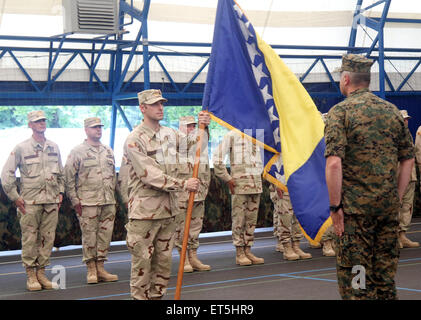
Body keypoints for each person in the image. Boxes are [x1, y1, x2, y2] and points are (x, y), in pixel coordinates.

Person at [325, 54, 415, 300]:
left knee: (358, 282)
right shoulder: (392, 111)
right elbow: (408, 158)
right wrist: (395, 197)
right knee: (385, 282)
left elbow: (334, 163)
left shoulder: (340, 113)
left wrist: (335, 209)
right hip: (386, 213)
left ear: (346, 79)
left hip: (355, 218)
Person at [123, 89, 210, 300]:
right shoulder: (135, 139)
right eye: (154, 104)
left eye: (161, 103)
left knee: (163, 267)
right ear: (143, 108)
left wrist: (203, 127)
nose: (160, 107)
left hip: (168, 212)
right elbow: (149, 175)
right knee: (143, 267)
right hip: (144, 214)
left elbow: (194, 146)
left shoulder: (169, 134)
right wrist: (182, 184)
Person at [1, 110, 65, 291]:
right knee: (30, 238)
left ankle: (42, 273)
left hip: (51, 201)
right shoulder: (22, 148)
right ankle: (31, 275)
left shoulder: (54, 146)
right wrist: (15, 197)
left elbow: (61, 172)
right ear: (30, 124)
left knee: (47, 238)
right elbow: (7, 174)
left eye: (43, 120)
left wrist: (60, 192)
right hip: (30, 202)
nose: (41, 123)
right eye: (37, 121)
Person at [64, 117, 119, 284]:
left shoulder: (108, 151)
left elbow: (113, 177)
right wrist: (74, 200)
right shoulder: (77, 151)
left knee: (105, 236)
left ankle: (101, 267)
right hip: (87, 202)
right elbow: (68, 178)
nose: (98, 130)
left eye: (100, 127)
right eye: (95, 127)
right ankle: (91, 269)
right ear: (86, 130)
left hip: (107, 201)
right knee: (89, 237)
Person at [213, 130, 264, 266]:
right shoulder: (232, 135)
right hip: (239, 185)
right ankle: (239, 252)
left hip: (256, 184)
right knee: (239, 219)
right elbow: (217, 158)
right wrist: (227, 178)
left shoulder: (257, 134)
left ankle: (248, 250)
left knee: (251, 220)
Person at [174, 116, 211, 273]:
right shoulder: (175, 145)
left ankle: (193, 256)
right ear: (180, 127)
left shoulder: (199, 147)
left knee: (195, 228)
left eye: (193, 126)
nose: (191, 129)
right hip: (183, 195)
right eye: (188, 126)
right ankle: (183, 259)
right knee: (182, 229)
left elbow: (206, 171)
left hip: (199, 193)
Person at [269, 183, 312, 260]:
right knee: (285, 218)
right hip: (283, 185)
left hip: (298, 184)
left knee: (298, 218)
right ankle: (287, 248)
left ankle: (296, 247)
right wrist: (277, 185)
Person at [398, 110, 419, 248]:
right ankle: (394, 236)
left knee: (407, 207)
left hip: (411, 177)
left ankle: (402, 235)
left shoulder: (408, 135)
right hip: (398, 178)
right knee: (396, 207)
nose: (406, 121)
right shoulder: (392, 136)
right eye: (403, 119)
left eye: (407, 119)